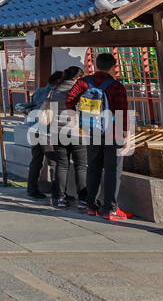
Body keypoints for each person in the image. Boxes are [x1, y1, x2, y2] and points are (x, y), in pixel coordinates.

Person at [65, 52, 132, 221]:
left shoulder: (83, 83)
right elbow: (123, 113)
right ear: (113, 67)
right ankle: (110, 209)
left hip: (91, 130)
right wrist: (127, 137)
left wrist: (74, 120)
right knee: (112, 171)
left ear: (95, 65)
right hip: (113, 133)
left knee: (93, 167)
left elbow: (70, 100)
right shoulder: (117, 87)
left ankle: (91, 205)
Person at [48, 66, 88, 209]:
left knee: (62, 165)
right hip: (76, 131)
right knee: (81, 166)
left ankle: (60, 198)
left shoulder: (54, 90)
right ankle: (83, 200)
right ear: (78, 78)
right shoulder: (81, 90)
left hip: (57, 131)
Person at [23, 71, 61, 199]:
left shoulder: (39, 91)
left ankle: (31, 189)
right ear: (58, 82)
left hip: (34, 130)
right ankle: (57, 193)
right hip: (47, 131)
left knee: (36, 160)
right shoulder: (56, 93)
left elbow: (30, 105)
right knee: (54, 162)